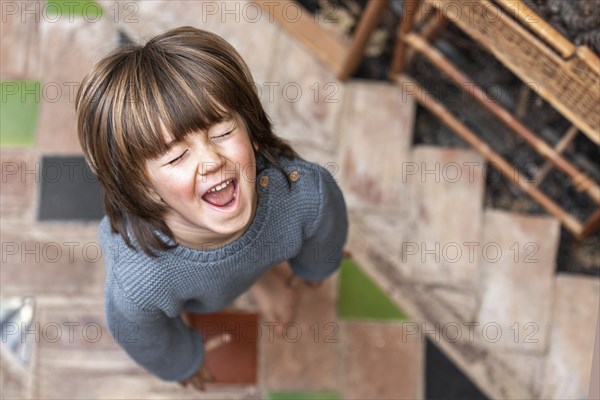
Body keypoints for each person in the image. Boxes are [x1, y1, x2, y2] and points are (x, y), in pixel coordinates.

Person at [75, 26, 348, 390]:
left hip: (257, 257)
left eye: (221, 132)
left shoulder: (302, 192)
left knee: (258, 251)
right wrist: (182, 362)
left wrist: (317, 266)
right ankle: (259, 274)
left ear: (250, 127)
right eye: (176, 156)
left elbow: (327, 226)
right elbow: (140, 333)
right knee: (206, 285)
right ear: (142, 187)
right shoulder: (140, 278)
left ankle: (263, 276)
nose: (211, 160)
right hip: (195, 294)